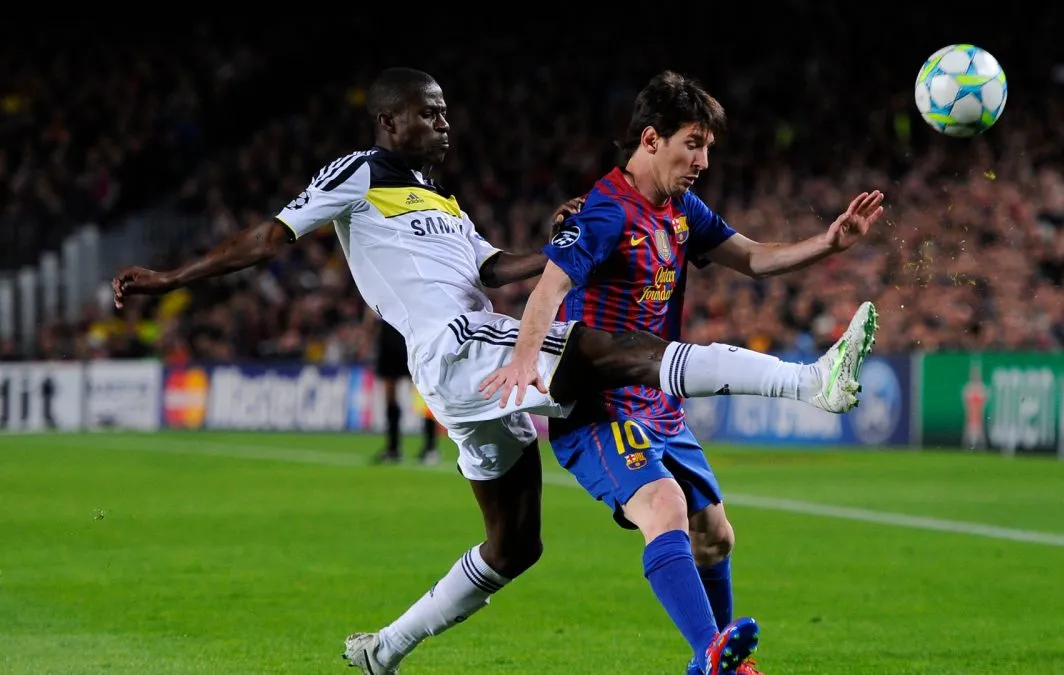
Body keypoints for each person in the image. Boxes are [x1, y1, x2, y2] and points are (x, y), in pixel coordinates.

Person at [112, 67, 875, 675]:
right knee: (609, 352)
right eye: (429, 112)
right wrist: (173, 280)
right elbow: (269, 237)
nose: (444, 124)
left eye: (445, 112)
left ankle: (387, 646)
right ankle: (807, 382)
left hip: (470, 371)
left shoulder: (443, 200)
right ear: (388, 122)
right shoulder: (360, 171)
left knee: (515, 545)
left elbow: (500, 266)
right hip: (460, 346)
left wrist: (564, 239)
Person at [481, 70, 884, 675]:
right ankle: (715, 658)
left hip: (658, 405)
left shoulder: (679, 208)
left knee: (716, 535)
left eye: (707, 148)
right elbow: (551, 283)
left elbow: (751, 257)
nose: (702, 160)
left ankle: (716, 659)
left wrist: (829, 242)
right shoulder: (606, 210)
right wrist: (522, 359)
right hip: (599, 406)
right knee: (663, 506)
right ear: (651, 140)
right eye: (692, 144)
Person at [373, 317, 439, 465]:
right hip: (391, 331)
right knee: (391, 393)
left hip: (409, 331)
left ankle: (430, 447)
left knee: (421, 391)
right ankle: (394, 448)